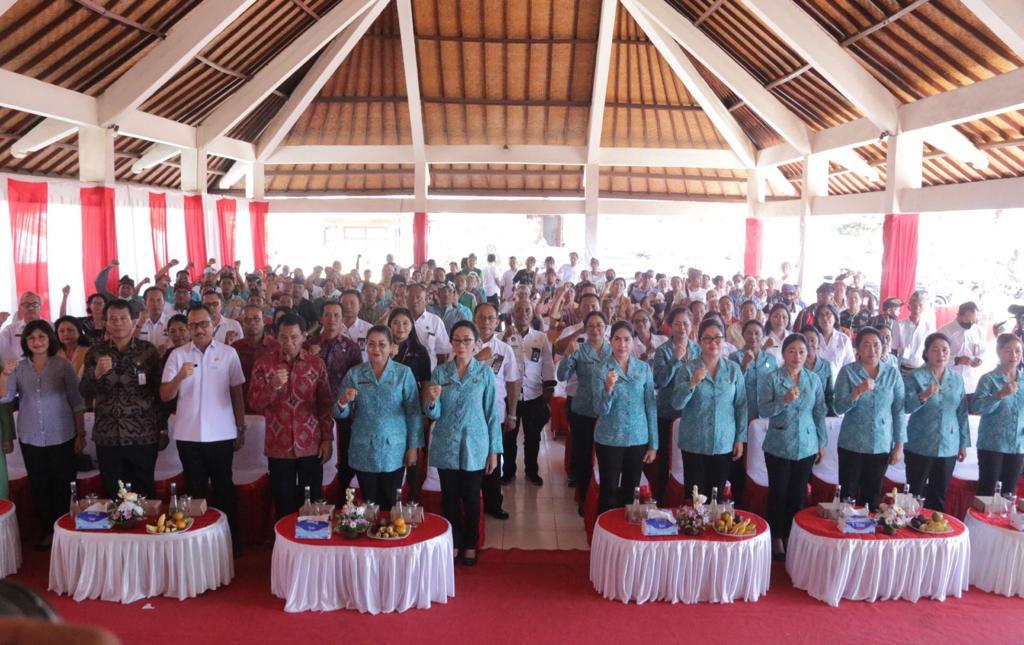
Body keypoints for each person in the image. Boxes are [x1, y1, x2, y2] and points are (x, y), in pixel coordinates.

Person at [160, 304, 246, 552]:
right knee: (195, 490)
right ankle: (198, 544)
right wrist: (179, 378)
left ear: (213, 325)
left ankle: (230, 542)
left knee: (224, 489)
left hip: (222, 434)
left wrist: (240, 427)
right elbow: (165, 395)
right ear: (188, 327)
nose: (199, 329)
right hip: (188, 436)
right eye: (194, 325)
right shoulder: (177, 355)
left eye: (203, 324)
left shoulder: (229, 353)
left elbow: (237, 392)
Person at [0, 321, 85, 549]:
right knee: (39, 485)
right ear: (26, 342)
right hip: (31, 436)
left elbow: (77, 401)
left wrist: (80, 433)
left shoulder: (62, 365)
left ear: (49, 338)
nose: (37, 342)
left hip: (63, 434)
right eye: (31, 338)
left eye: (41, 337)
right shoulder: (18, 367)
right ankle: (49, 531)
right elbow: (5, 398)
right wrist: (5, 373)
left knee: (64, 484)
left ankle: (67, 531)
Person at [424, 321, 501, 566]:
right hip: (447, 442)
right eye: (457, 339)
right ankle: (453, 542)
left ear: (477, 343)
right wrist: (433, 401)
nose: (461, 345)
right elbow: (432, 414)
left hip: (475, 444)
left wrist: (494, 451)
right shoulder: (440, 373)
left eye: (467, 340)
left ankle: (470, 543)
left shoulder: (484, 373)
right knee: (449, 498)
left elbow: (492, 413)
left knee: (471, 497)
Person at [247, 313, 333, 519]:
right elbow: (254, 402)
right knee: (283, 502)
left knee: (312, 504)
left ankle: (312, 548)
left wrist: (328, 439)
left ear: (304, 336)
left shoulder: (316, 364)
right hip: (278, 447)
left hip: (311, 444)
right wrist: (272, 387)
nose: (289, 342)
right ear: (276, 337)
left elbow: (325, 405)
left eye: (294, 337)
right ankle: (285, 549)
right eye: (284, 337)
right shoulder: (263, 364)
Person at [80, 300, 164, 498]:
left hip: (143, 435)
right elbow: (84, 391)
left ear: (133, 321)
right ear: (106, 322)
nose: (118, 323)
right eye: (113, 319)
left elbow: (159, 392)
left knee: (144, 493)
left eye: (123, 318)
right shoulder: (95, 352)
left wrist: (162, 428)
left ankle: (146, 530)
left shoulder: (148, 351)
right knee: (114, 494)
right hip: (107, 436)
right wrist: (97, 374)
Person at [336, 326, 423, 509]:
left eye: (382, 344)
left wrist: (413, 447)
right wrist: (343, 401)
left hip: (395, 449)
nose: (376, 349)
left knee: (391, 503)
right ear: (365, 346)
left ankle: (389, 537)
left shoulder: (403, 373)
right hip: (363, 448)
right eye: (371, 344)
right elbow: (339, 413)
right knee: (368, 504)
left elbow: (413, 413)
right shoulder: (356, 374)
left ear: (392, 347)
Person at [757, 333, 827, 561]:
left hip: (806, 444)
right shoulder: (772, 379)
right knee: (778, 492)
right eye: (792, 351)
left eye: (802, 352)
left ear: (808, 354)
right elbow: (764, 410)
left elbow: (819, 412)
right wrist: (783, 401)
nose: (797, 356)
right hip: (779, 444)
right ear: (784, 353)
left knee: (798, 494)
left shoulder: (813, 379)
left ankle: (793, 536)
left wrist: (821, 442)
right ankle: (776, 536)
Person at [668, 318, 747, 500]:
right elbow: (676, 403)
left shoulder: (733, 369)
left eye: (718, 338)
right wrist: (692, 383)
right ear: (699, 341)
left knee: (716, 497)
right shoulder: (688, 369)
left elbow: (741, 405)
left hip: (723, 441)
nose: (713, 343)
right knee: (694, 499)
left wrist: (740, 439)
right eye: (707, 338)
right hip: (694, 442)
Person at [833, 327, 906, 509]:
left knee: (872, 496)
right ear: (857, 348)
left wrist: (899, 445)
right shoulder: (847, 372)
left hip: (880, 444)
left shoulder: (892, 373)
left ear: (883, 348)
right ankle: (847, 535)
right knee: (848, 496)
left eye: (876, 345)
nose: (872, 350)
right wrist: (857, 391)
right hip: (852, 443)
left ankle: (868, 535)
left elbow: (898, 410)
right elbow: (838, 407)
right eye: (866, 345)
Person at [593, 321, 657, 513]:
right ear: (610, 341)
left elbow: (650, 406)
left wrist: (654, 444)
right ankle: (605, 538)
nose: (622, 345)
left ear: (633, 341)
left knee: (632, 492)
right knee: (609, 491)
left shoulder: (643, 368)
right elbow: (599, 409)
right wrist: (608, 388)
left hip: (637, 437)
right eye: (617, 339)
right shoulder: (601, 369)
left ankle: (626, 538)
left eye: (627, 339)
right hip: (609, 438)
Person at [903, 333, 969, 513]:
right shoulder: (914, 376)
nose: (941, 354)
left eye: (945, 350)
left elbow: (962, 412)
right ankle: (911, 534)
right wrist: (923, 396)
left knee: (939, 494)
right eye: (935, 349)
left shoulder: (956, 379)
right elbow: (905, 407)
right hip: (919, 443)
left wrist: (963, 444)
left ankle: (935, 534)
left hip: (949, 444)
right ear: (926, 352)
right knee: (914, 494)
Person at [556, 311, 612, 515]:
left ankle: (606, 498)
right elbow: (562, 376)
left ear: (606, 328)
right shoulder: (579, 350)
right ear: (586, 328)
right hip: (582, 410)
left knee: (607, 457)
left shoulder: (614, 350)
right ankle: (584, 497)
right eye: (591, 326)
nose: (595, 329)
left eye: (600, 325)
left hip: (608, 411)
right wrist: (568, 354)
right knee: (583, 456)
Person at [304, 301, 362, 495]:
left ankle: (341, 499)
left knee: (344, 458)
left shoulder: (351, 347)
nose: (332, 320)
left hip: (342, 411)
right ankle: (316, 498)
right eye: (327, 315)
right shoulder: (308, 345)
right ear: (321, 318)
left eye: (336, 315)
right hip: (313, 411)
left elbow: (356, 381)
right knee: (315, 458)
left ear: (343, 319)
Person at [650, 307, 700, 502]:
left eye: (685, 324)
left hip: (691, 412)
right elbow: (660, 381)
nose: (681, 328)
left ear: (691, 326)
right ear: (670, 327)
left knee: (688, 459)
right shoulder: (663, 350)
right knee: (665, 459)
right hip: (668, 412)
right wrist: (675, 360)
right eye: (677, 324)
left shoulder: (697, 349)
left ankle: (689, 499)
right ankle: (663, 498)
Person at [502, 299, 554, 486]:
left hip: (534, 395)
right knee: (509, 437)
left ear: (532, 315)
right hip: (510, 397)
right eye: (518, 310)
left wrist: (547, 396)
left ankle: (532, 471)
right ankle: (508, 471)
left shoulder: (540, 338)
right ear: (512, 314)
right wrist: (503, 340)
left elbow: (547, 365)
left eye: (527, 310)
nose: (523, 314)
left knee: (533, 437)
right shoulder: (503, 336)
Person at [729, 320, 777, 506]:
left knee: (761, 461)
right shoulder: (734, 357)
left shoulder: (770, 359)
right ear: (743, 335)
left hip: (764, 420)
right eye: (749, 333)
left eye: (757, 333)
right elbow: (731, 385)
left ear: (762, 335)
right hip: (742, 417)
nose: (753, 337)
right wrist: (744, 366)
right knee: (740, 462)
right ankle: (740, 501)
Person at [971, 334, 1024, 496]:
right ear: (998, 352)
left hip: (1017, 446)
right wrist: (999, 395)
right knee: (987, 493)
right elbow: (977, 407)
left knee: (1008, 495)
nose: (1014, 355)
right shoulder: (988, 379)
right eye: (1008, 351)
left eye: (1017, 351)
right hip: (992, 445)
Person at [232, 303, 280, 411]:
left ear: (264, 321)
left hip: (271, 406)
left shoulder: (276, 347)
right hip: (242, 404)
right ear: (242, 323)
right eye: (247, 320)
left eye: (256, 319)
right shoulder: (235, 348)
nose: (252, 323)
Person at [939, 301, 985, 396]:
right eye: (968, 320)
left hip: (971, 384)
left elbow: (983, 351)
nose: (971, 323)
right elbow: (936, 358)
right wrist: (957, 360)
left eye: (974, 320)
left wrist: (980, 359)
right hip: (949, 382)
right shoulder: (944, 332)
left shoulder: (978, 331)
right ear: (958, 315)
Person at [408, 283, 451, 370]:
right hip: (404, 377)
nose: (414, 301)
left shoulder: (435, 321)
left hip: (430, 375)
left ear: (426, 299)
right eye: (411, 297)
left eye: (418, 297)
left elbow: (442, 354)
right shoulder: (400, 321)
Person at [892, 291, 935, 374]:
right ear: (909, 306)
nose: (917, 308)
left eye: (920, 305)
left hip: (922, 368)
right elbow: (894, 349)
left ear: (924, 307)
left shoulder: (929, 326)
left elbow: (932, 348)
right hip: (903, 366)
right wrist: (894, 368)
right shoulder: (899, 325)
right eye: (914, 305)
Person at [389, 308, 432, 384]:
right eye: (396, 323)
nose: (400, 327)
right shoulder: (382, 349)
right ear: (389, 325)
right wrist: (389, 357)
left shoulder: (420, 351)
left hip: (413, 394)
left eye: (405, 323)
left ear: (412, 325)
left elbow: (425, 381)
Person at [800, 326, 835, 415]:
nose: (809, 344)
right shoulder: (793, 364)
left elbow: (829, 394)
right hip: (799, 414)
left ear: (818, 344)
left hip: (821, 413)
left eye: (812, 340)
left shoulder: (826, 365)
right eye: (805, 340)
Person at [815, 304, 855, 378]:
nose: (825, 318)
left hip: (838, 384)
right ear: (817, 320)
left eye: (828, 314)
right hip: (817, 385)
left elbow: (850, 366)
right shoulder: (813, 339)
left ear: (835, 317)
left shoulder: (844, 339)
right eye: (821, 315)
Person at [136, 287, 170, 352]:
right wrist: (139, 324)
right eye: (151, 300)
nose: (155, 304)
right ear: (144, 303)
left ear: (164, 302)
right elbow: (130, 343)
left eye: (159, 300)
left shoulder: (170, 322)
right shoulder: (137, 323)